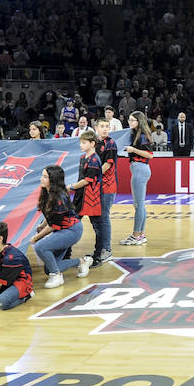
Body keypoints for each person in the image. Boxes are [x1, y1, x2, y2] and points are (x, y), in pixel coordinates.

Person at [31, 165, 91, 289]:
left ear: (53, 180)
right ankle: (82, 261)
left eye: (45, 177)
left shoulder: (59, 198)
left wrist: (36, 237)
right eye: (42, 176)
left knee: (40, 247)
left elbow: (54, 226)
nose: (41, 179)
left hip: (72, 231)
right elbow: (50, 217)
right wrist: (42, 225)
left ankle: (57, 276)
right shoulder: (47, 193)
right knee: (49, 268)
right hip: (62, 230)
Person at [67, 129, 107, 266]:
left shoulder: (95, 160)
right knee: (71, 224)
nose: (81, 145)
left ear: (92, 143)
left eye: (84, 143)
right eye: (81, 143)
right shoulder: (83, 158)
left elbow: (87, 180)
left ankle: (98, 255)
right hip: (80, 197)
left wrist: (71, 186)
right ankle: (66, 254)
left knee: (97, 227)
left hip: (92, 200)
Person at [0, 221, 34, 310]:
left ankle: (26, 295)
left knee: (1, 303)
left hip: (22, 282)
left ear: (0, 239)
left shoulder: (12, 257)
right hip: (9, 279)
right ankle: (2, 293)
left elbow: (0, 281)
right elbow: (1, 276)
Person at [120, 111, 154, 247]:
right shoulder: (137, 134)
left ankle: (135, 235)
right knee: (141, 204)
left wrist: (133, 150)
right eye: (129, 120)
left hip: (140, 168)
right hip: (139, 169)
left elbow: (150, 155)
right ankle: (141, 234)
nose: (130, 122)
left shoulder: (143, 136)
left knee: (138, 205)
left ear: (139, 121)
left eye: (133, 120)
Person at [92, 118, 118, 264]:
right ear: (96, 127)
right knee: (97, 218)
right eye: (102, 126)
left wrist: (92, 176)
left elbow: (108, 165)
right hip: (97, 186)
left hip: (107, 186)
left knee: (104, 217)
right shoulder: (95, 143)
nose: (104, 129)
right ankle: (99, 248)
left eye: (107, 126)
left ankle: (106, 250)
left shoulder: (111, 143)